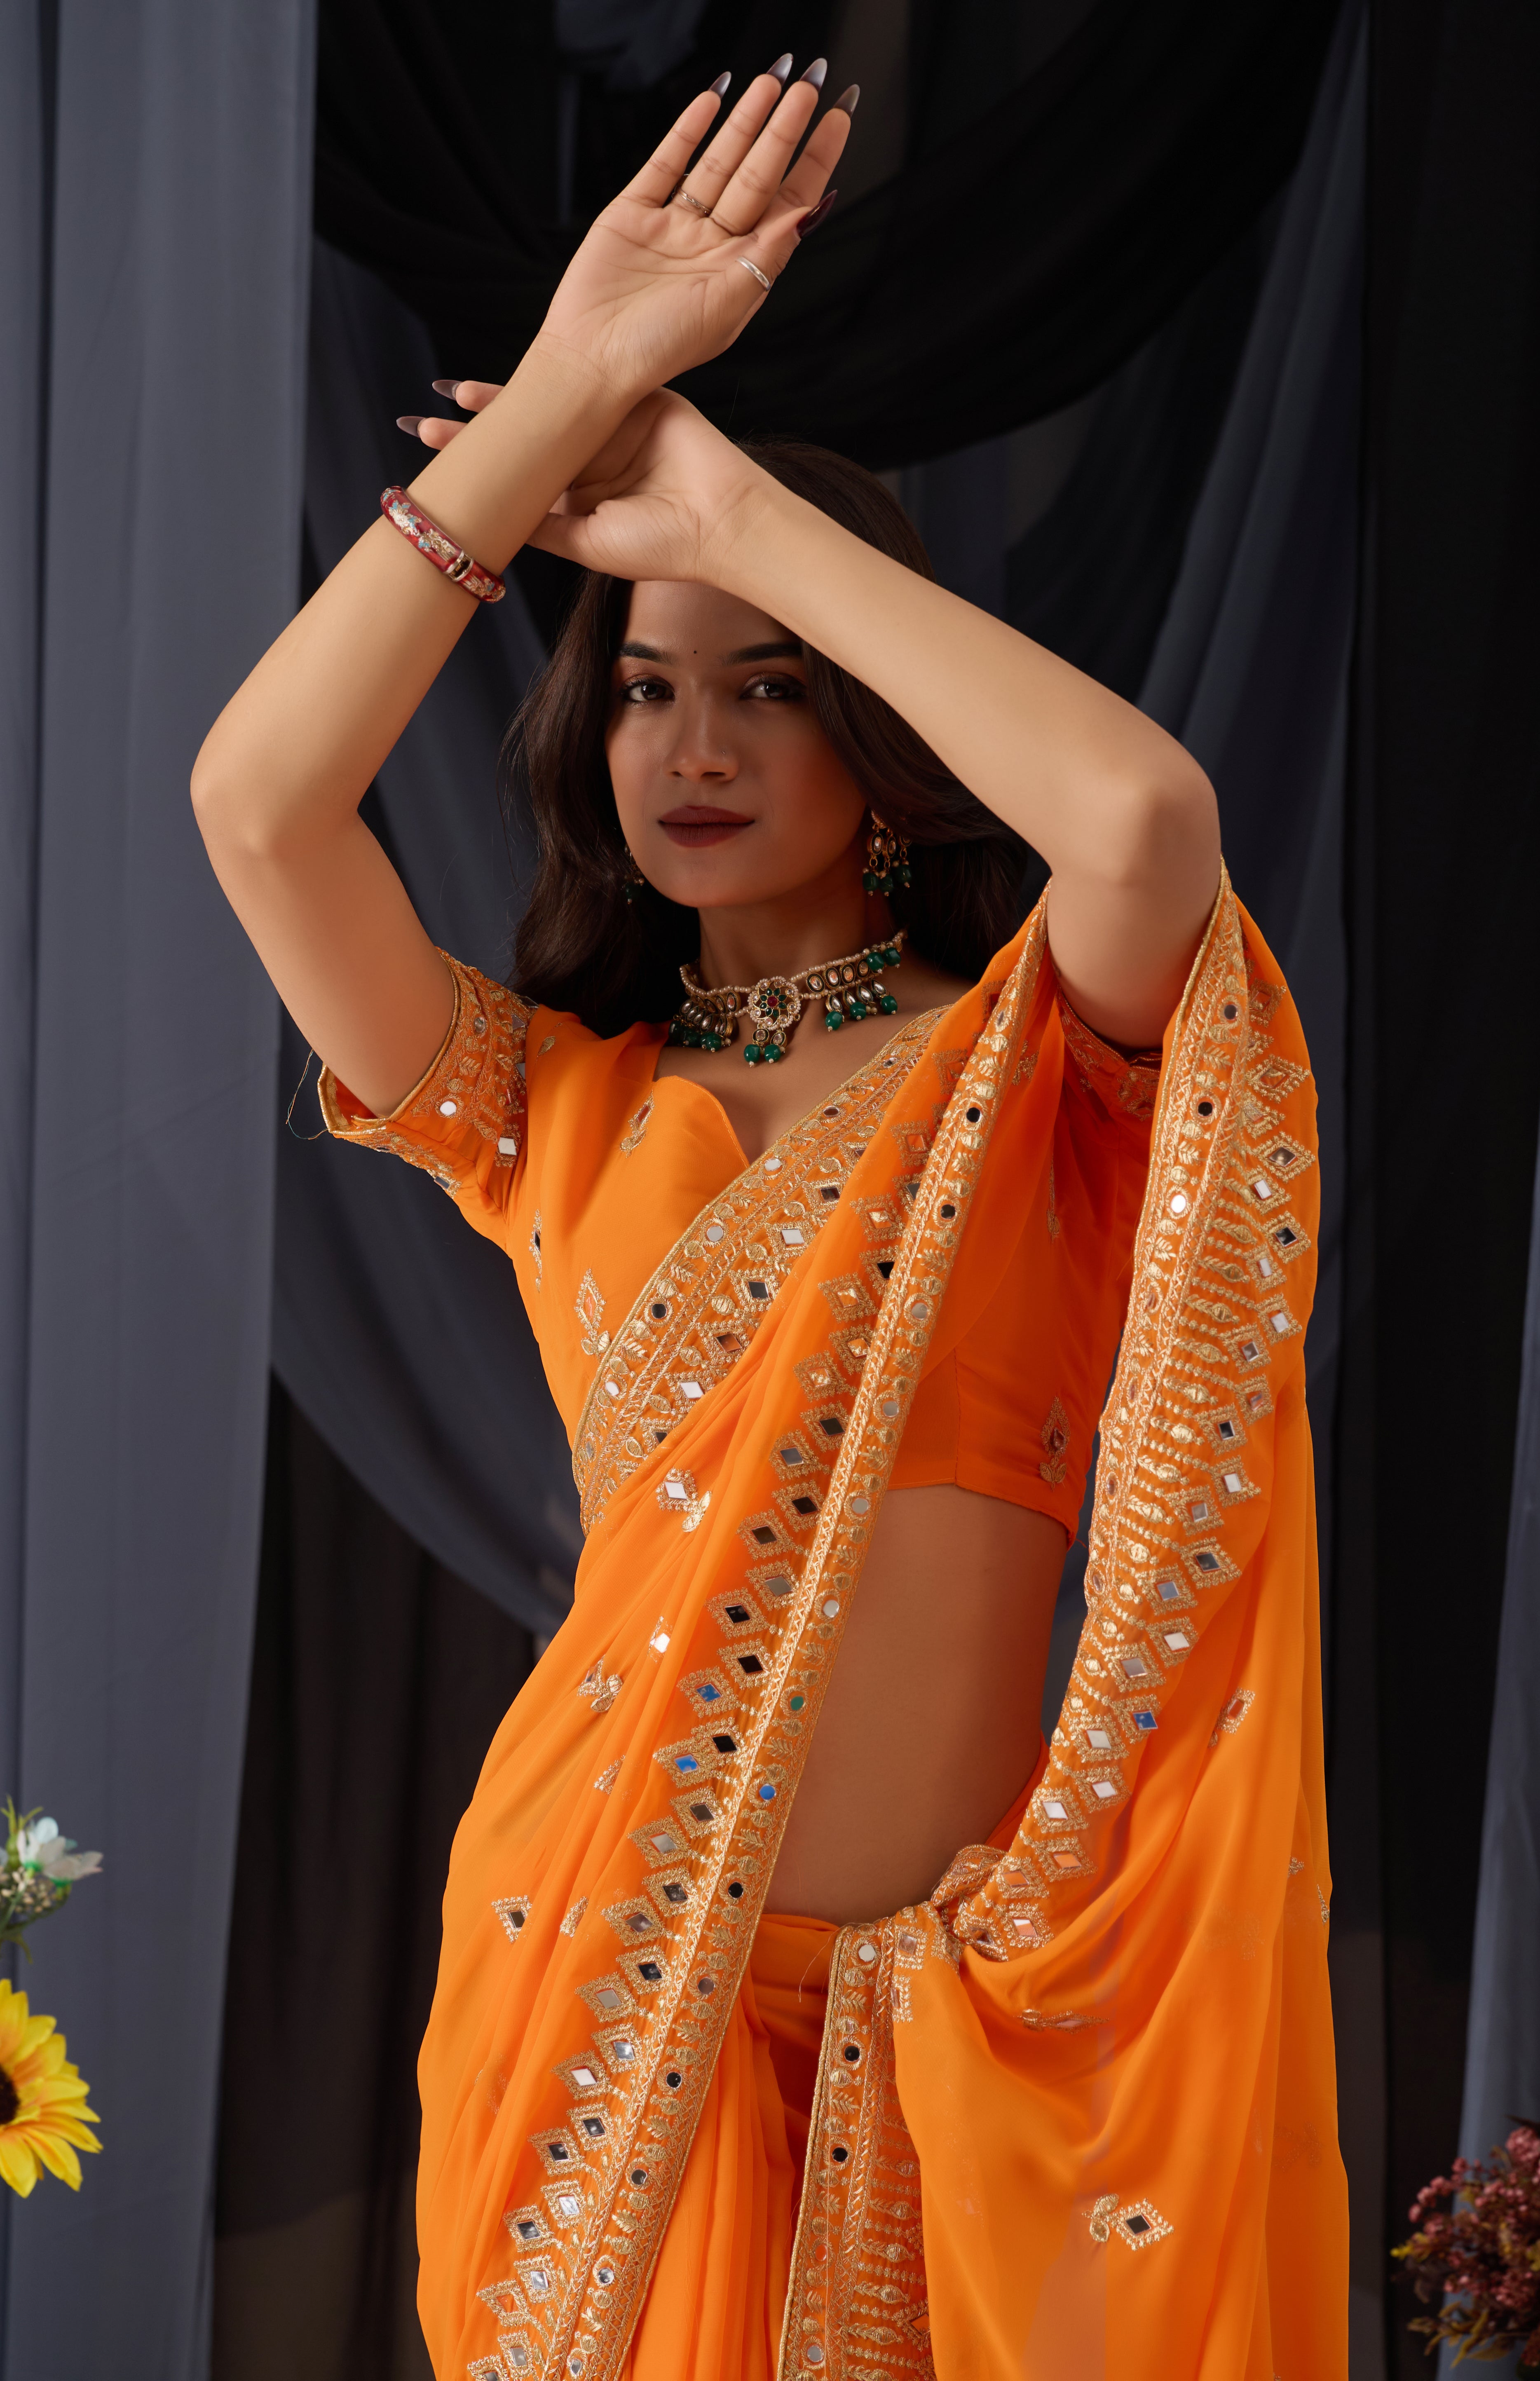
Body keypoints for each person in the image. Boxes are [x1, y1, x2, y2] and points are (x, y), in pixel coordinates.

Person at [193, 54, 1347, 2381]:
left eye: (767, 691)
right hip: (606, 2007)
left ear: (879, 746)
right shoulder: (563, 1112)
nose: (692, 744)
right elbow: (256, 800)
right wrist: (569, 400)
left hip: (970, 2039)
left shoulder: (1032, 1073)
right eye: (644, 693)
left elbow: (1143, 827)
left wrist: (722, 507)